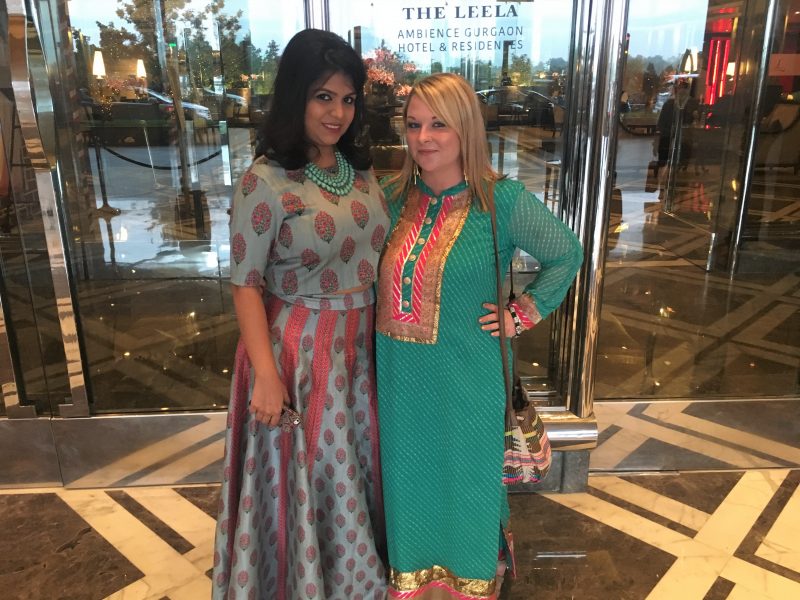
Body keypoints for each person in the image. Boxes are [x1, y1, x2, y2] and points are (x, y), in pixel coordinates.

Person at [375, 73, 583, 599]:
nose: (423, 138)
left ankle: (469, 586)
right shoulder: (391, 198)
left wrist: (522, 313)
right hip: (399, 386)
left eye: (438, 125)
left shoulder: (500, 201)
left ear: (466, 127)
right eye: (414, 125)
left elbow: (567, 253)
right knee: (406, 485)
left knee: (467, 485)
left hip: (470, 381)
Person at [212, 29, 389, 599]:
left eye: (348, 99)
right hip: (300, 355)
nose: (338, 113)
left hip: (362, 352)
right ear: (296, 96)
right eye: (323, 97)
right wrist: (266, 375)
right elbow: (245, 285)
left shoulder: (361, 171)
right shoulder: (264, 181)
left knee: (355, 478)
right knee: (315, 480)